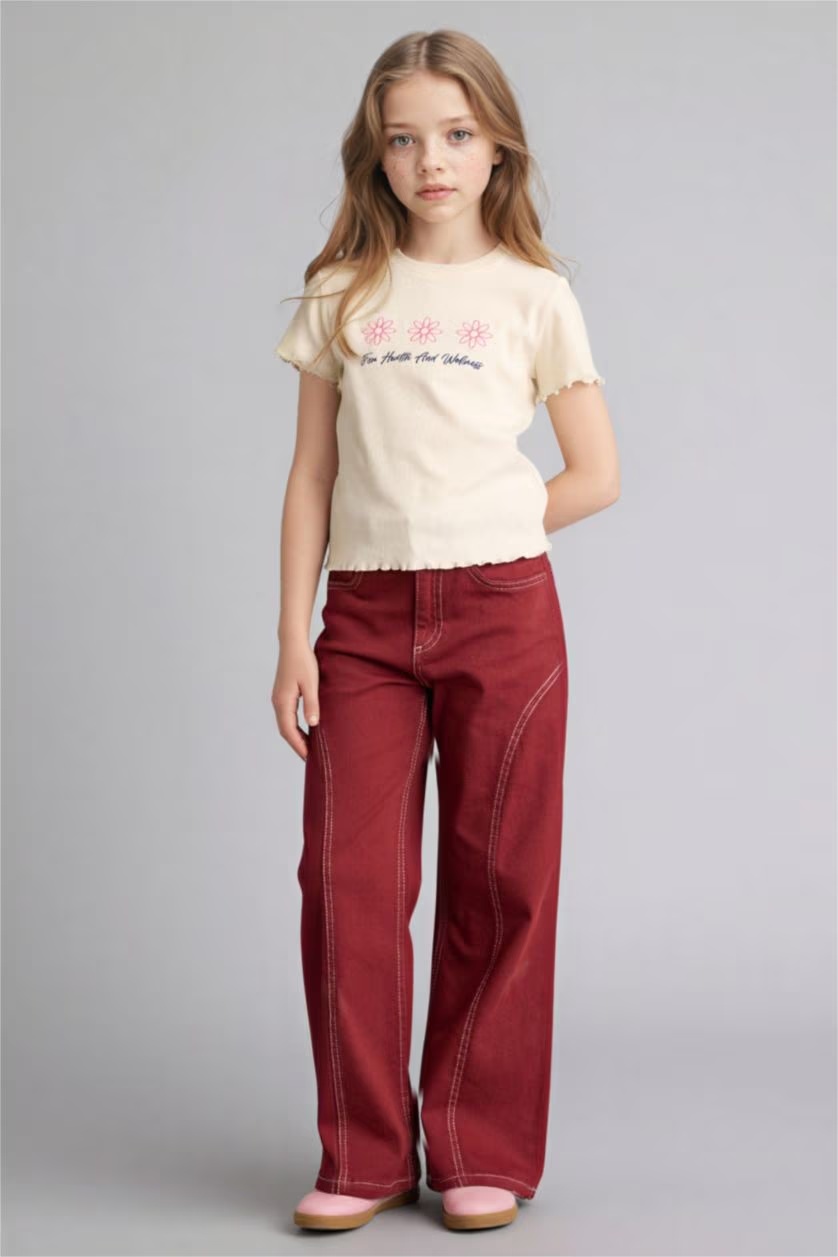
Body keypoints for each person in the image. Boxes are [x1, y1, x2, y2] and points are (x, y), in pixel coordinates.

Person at [271, 28, 620, 1234]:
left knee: (499, 881)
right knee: (347, 885)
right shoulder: (343, 293)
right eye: (405, 138)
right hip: (363, 623)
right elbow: (311, 477)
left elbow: (597, 474)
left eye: (457, 135)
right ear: (375, 154)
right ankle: (364, 1153)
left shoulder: (535, 295)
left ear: (497, 148)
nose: (431, 160)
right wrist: (292, 637)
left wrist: (486, 523)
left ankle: (481, 1148)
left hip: (502, 613)